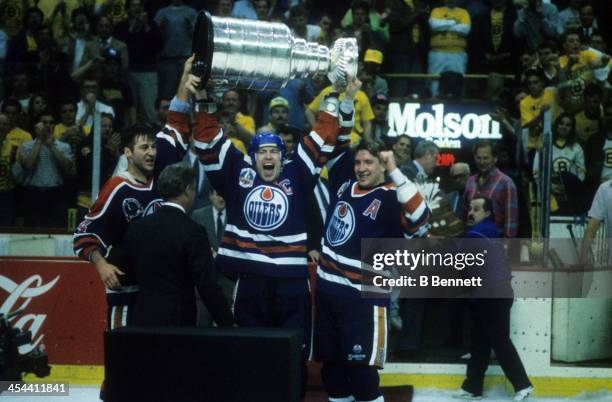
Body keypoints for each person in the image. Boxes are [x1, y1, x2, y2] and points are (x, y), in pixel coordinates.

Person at [169, 68, 359, 392]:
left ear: (282, 156)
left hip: (291, 284)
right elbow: (207, 139)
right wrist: (203, 100)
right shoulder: (237, 173)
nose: (268, 156)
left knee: (293, 354)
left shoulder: (297, 173)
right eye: (262, 151)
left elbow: (321, 138)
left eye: (273, 151)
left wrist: (334, 94)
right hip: (251, 283)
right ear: (252, 155)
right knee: (250, 351)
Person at [314, 137, 430, 402]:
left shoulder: (392, 195)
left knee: (362, 375)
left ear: (383, 166)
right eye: (358, 162)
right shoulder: (345, 186)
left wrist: (394, 168)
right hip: (328, 295)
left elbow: (421, 217)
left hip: (365, 298)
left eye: (370, 162)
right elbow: (334, 140)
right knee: (331, 373)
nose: (361, 167)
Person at [117, 162, 234, 327]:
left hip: (142, 317)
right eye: (193, 189)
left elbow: (125, 273)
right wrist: (227, 323)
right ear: (187, 190)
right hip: (178, 321)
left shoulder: (138, 227)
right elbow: (207, 285)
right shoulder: (193, 231)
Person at [455, 195, 534, 402]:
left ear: (488, 213)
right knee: (480, 342)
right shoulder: (486, 231)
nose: (471, 212)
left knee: (499, 341)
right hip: (489, 294)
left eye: (477, 209)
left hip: (493, 295)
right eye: (470, 209)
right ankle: (472, 387)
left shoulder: (479, 233)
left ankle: (523, 385)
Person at [20, 112, 74, 227]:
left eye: (51, 123)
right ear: (37, 125)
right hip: (33, 195)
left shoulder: (64, 146)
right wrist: (39, 140)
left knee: (55, 230)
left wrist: (51, 146)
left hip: (55, 195)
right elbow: (28, 165)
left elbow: (67, 168)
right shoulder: (27, 146)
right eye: (44, 122)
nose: (48, 125)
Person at [463, 140, 519, 238]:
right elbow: (464, 213)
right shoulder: (470, 182)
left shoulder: (506, 183)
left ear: (495, 158)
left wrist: (506, 246)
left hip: (494, 243)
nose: (482, 162)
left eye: (485, 158)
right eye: (478, 158)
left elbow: (511, 222)